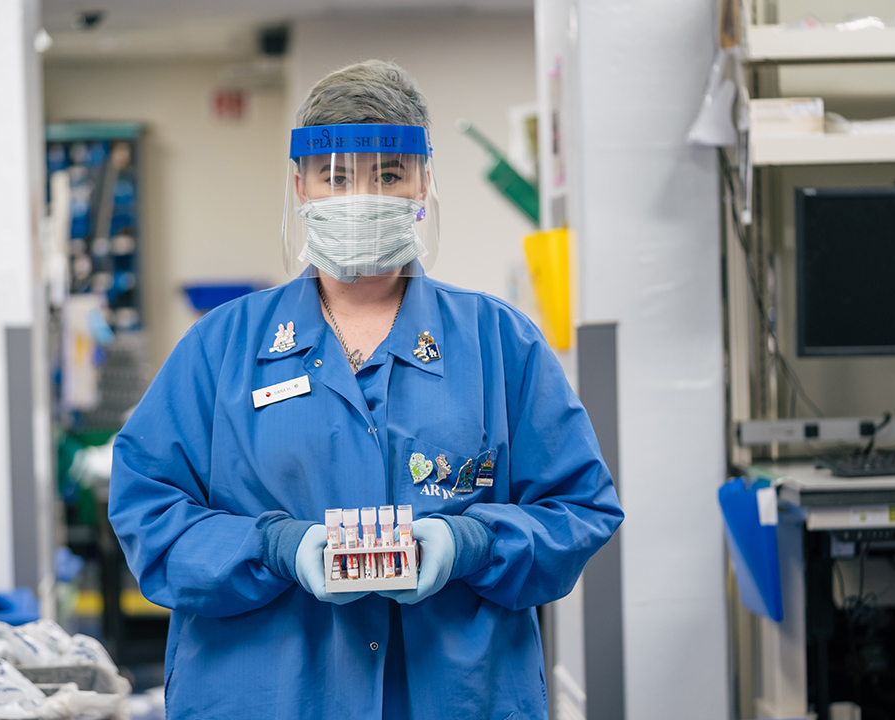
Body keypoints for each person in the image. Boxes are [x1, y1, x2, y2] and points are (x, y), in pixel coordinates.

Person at [109, 59, 623, 720]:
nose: (361, 196)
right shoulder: (222, 349)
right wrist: (273, 547)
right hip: (259, 697)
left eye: (388, 174)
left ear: (424, 182)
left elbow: (581, 508)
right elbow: (148, 511)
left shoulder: (499, 344)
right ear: (300, 185)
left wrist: (473, 543)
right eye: (335, 176)